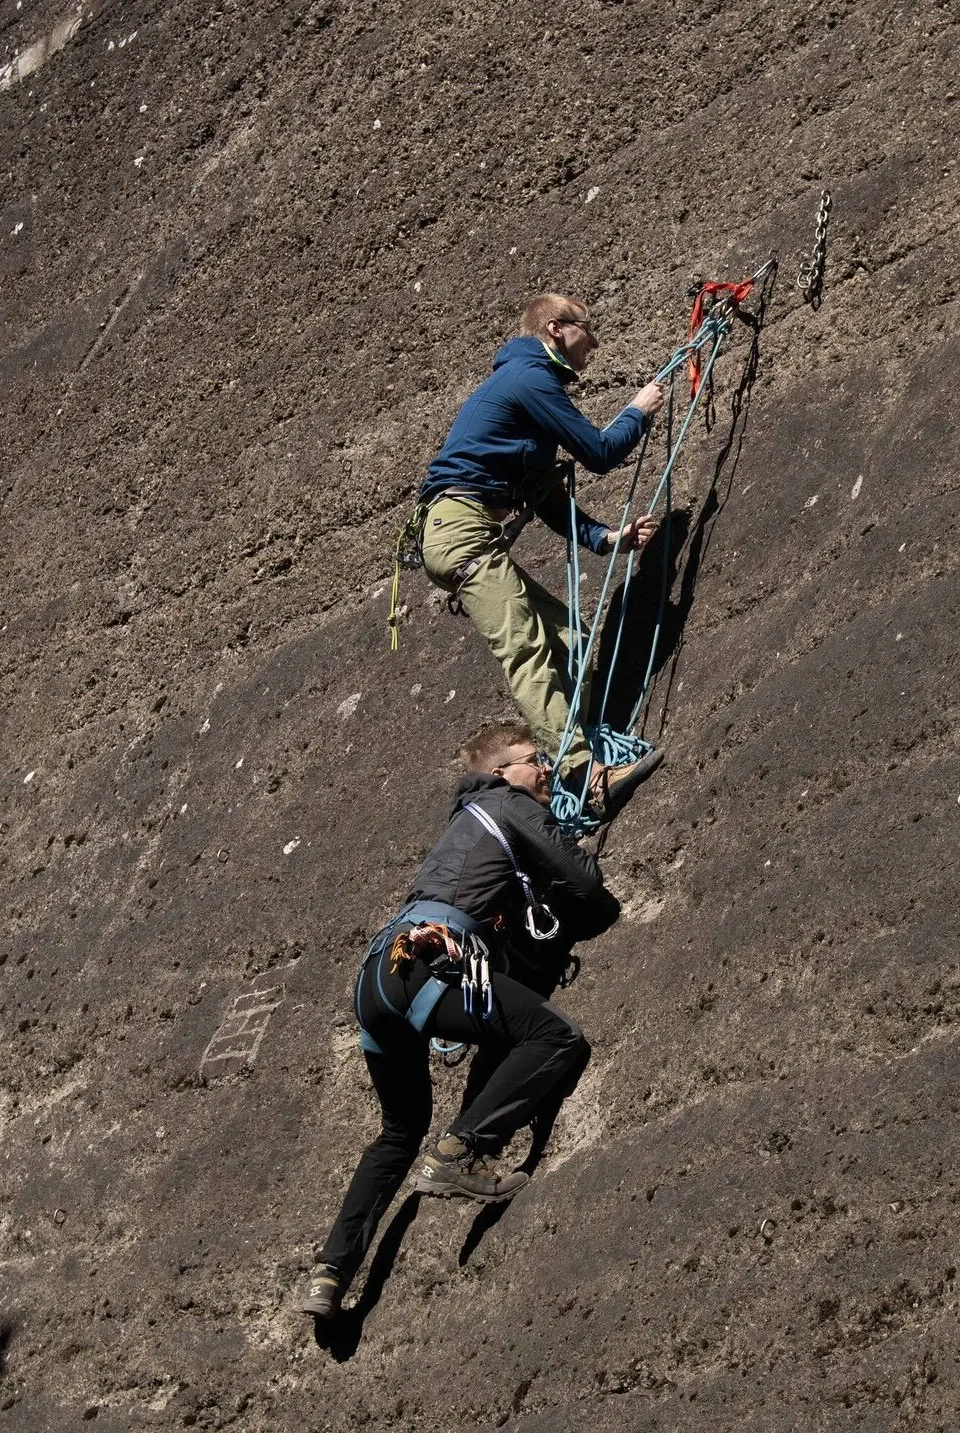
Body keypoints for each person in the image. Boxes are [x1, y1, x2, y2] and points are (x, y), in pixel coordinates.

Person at [301, 721, 620, 1320]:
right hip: (429, 965)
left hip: (380, 977)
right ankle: (462, 1152)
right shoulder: (504, 804)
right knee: (555, 1036)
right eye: (537, 760)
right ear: (502, 772)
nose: (547, 769)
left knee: (399, 1133)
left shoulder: (466, 825)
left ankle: (330, 1271)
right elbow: (584, 880)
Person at [417, 293, 667, 817]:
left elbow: (545, 494)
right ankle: (583, 776)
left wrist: (604, 539)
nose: (594, 342)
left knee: (568, 637)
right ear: (556, 329)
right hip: (461, 532)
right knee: (526, 649)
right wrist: (637, 412)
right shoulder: (530, 380)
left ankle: (579, 745)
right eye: (586, 330)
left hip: (463, 532)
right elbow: (598, 453)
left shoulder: (525, 387)